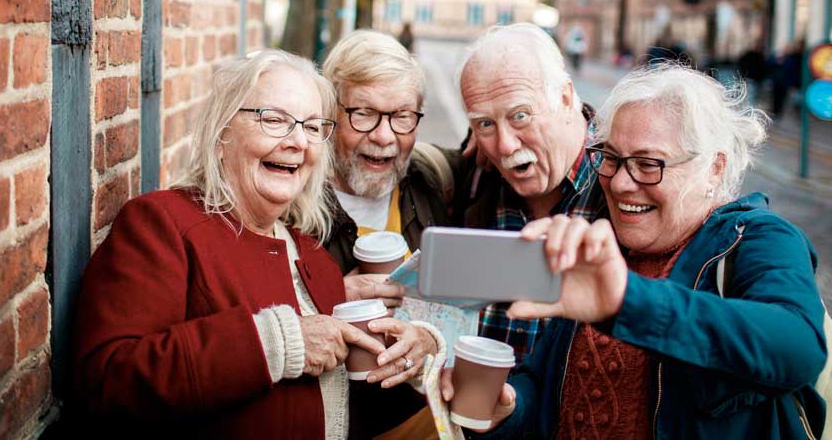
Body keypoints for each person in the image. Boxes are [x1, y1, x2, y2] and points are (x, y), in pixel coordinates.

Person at [446, 64, 827, 439]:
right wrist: (509, 407)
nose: (622, 184)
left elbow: (797, 347)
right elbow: (545, 383)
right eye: (611, 159)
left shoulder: (758, 238)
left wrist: (626, 301)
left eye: (648, 164)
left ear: (714, 168)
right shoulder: (605, 242)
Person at [73, 50, 387, 439]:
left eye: (311, 127)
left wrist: (409, 351)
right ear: (223, 134)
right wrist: (278, 342)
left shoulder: (317, 260)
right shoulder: (163, 224)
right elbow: (108, 382)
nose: (297, 142)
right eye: (274, 120)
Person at [322, 29, 463, 437]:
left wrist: (432, 343)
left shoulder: (435, 179)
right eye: (363, 113)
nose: (384, 136)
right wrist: (328, 296)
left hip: (423, 421)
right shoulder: (289, 198)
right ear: (331, 112)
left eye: (402, 116)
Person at [455, 23, 608, 363]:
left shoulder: (623, 185)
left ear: (566, 98)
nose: (505, 144)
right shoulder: (472, 180)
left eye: (520, 116)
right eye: (485, 124)